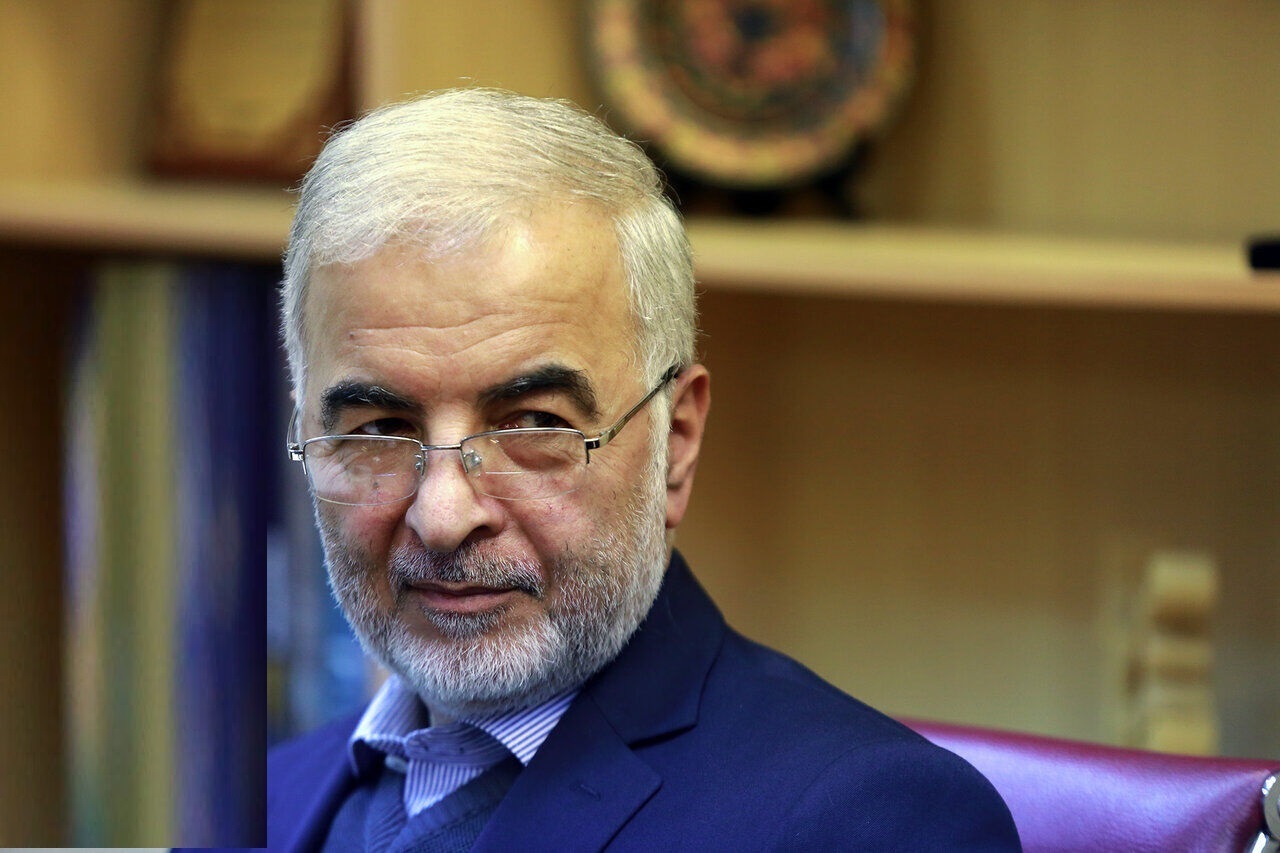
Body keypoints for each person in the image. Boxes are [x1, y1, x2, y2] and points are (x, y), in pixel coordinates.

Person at [269, 87, 1020, 851]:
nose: (442, 515)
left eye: (535, 424)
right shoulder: (264, 794)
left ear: (678, 440)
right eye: (380, 429)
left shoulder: (872, 820)